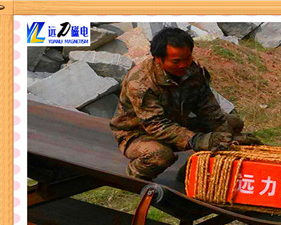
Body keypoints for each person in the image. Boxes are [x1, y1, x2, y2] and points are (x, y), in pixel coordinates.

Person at [110, 28, 260, 180]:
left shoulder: (193, 71)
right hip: (139, 133)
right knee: (160, 155)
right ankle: (133, 176)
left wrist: (226, 138)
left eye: (187, 58)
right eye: (176, 61)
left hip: (177, 122)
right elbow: (155, 125)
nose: (183, 65)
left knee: (232, 123)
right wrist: (197, 140)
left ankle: (192, 170)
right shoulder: (140, 83)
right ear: (158, 59)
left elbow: (208, 108)